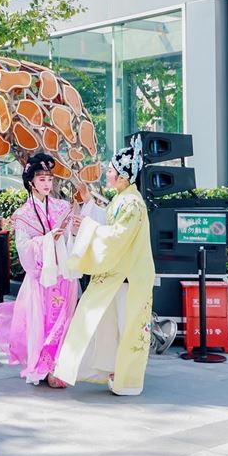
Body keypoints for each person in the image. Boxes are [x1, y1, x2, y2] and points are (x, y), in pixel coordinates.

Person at [52, 139, 156, 396]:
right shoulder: (124, 199)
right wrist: (88, 218)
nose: (107, 174)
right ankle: (112, 371)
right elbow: (111, 227)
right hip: (121, 275)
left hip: (128, 277)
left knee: (126, 326)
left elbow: (117, 237)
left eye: (110, 170)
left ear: (122, 176)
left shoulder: (131, 203)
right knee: (109, 323)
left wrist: (86, 229)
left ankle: (128, 380)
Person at [0, 154, 78, 387]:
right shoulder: (23, 214)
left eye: (49, 179)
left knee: (63, 320)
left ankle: (58, 366)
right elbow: (23, 248)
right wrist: (48, 240)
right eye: (41, 179)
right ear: (30, 182)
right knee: (40, 322)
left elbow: (72, 238)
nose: (47, 184)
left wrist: (70, 233)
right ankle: (41, 367)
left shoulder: (62, 207)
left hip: (62, 275)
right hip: (41, 277)